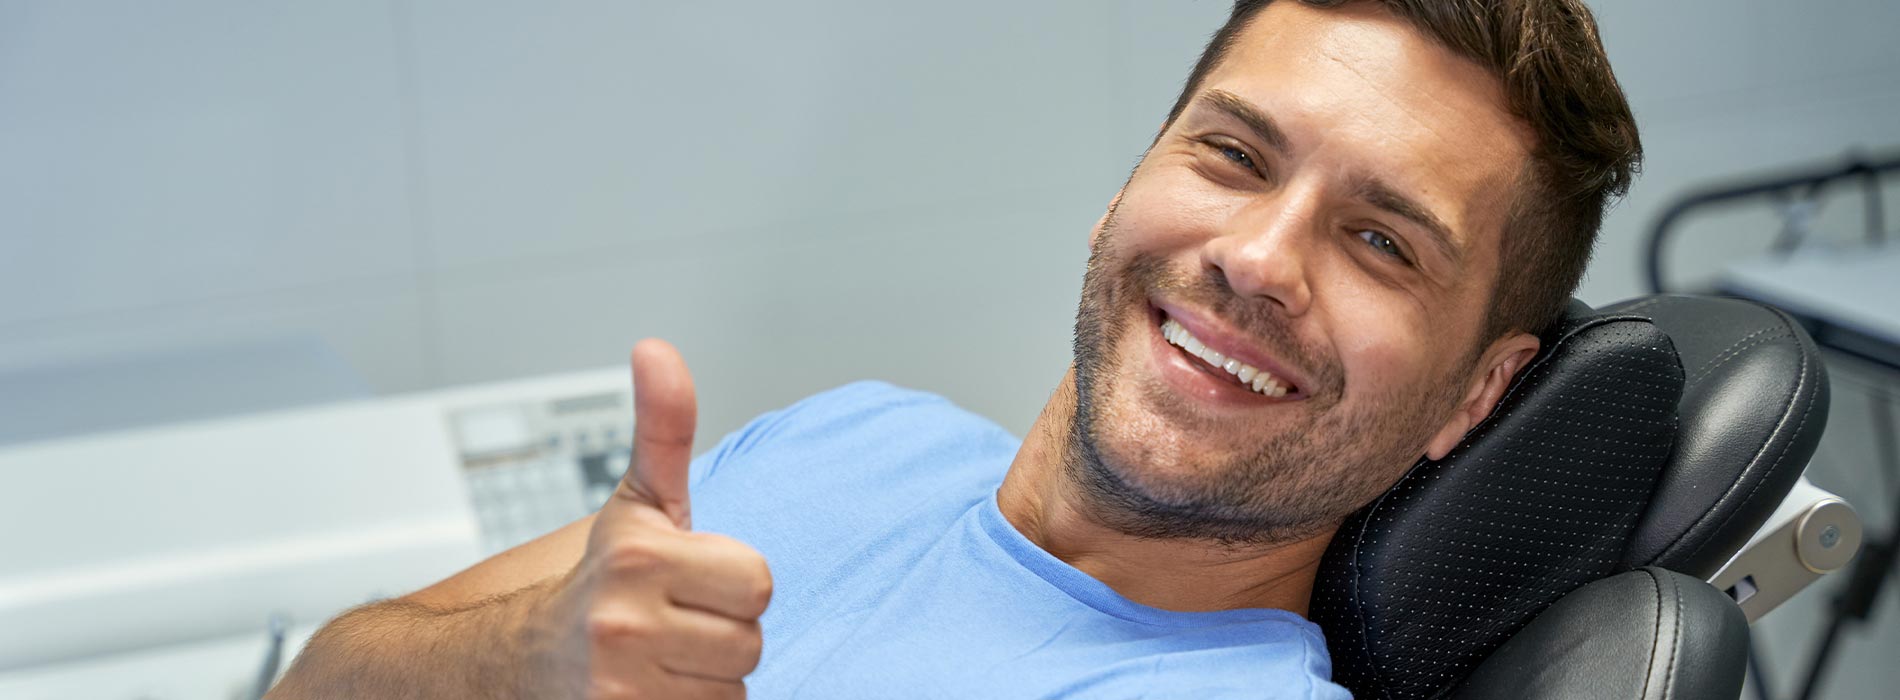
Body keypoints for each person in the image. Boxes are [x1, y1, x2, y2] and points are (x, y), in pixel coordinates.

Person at [269, 0, 1640, 697]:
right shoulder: (855, 439)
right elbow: (316, 679)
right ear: (1128, 184)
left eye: (1381, 243)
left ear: (1475, 392)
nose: (1259, 260)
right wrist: (520, 659)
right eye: (1231, 155)